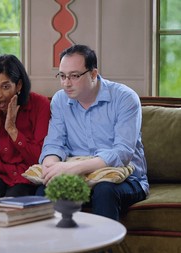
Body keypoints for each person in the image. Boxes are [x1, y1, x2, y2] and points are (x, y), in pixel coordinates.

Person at [37, 44, 148, 221]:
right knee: (43, 191)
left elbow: (123, 152)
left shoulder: (124, 98)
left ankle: (101, 250)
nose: (66, 83)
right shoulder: (59, 100)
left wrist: (71, 168)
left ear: (93, 74)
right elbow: (54, 144)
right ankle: (53, 248)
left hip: (125, 179)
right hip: (77, 177)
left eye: (74, 76)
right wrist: (51, 168)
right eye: (62, 76)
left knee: (104, 190)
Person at [0, 54, 51, 197]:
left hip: (26, 177)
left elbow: (40, 158)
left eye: (5, 86)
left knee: (13, 204)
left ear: (19, 85)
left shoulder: (40, 105)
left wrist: (12, 129)